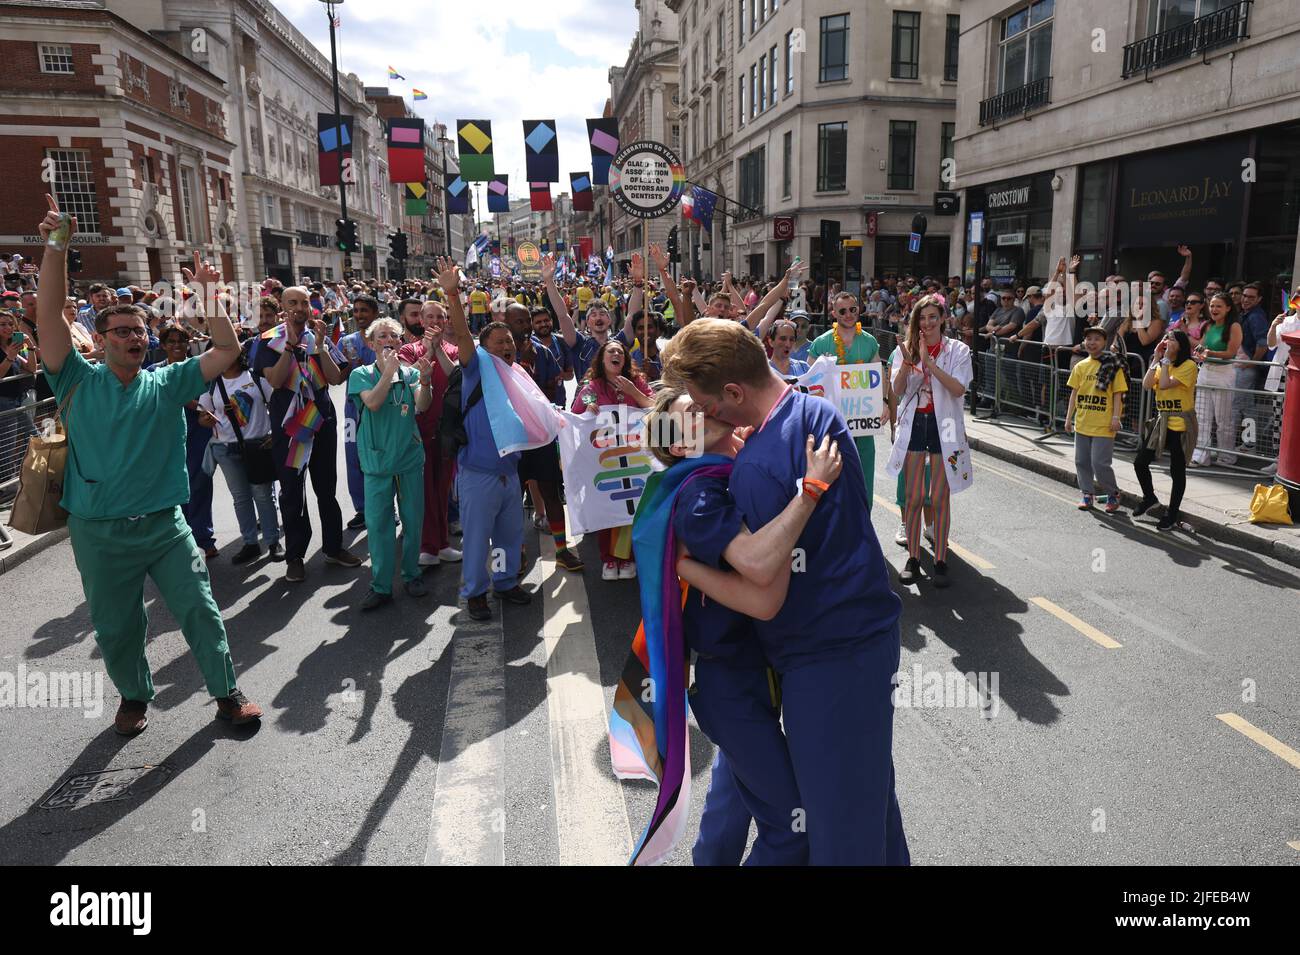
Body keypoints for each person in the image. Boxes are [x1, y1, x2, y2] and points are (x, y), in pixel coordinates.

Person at [661, 318, 909, 866]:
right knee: (867, 803)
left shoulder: (750, 469)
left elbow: (762, 584)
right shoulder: (815, 413)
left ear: (732, 393)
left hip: (822, 659)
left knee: (837, 827)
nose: (701, 416)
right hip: (854, 643)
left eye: (701, 405)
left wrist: (686, 568)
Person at [33, 198, 261, 735]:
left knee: (201, 612)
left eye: (141, 332)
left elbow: (226, 350)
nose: (136, 338)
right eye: (122, 332)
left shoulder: (168, 381)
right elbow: (46, 316)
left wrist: (207, 293)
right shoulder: (74, 379)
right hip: (98, 531)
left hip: (164, 526)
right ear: (100, 339)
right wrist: (56, 245)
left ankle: (227, 693)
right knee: (117, 627)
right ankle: (134, 696)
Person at [645, 386, 842, 866]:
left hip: (758, 673)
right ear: (676, 444)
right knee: (793, 822)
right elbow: (762, 587)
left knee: (733, 799)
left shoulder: (729, 469)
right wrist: (811, 490)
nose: (709, 406)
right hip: (730, 682)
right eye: (693, 411)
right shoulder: (698, 493)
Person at [434, 257, 533, 621]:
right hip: (478, 473)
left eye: (510, 340)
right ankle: (475, 593)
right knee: (477, 542)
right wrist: (452, 293)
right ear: (484, 348)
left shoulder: (518, 374)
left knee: (508, 537)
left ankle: (505, 583)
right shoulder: (477, 368)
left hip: (510, 473)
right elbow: (461, 334)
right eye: (499, 341)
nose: (507, 345)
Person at [253, 285, 363, 582]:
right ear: (282, 308)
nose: (300, 308)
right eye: (293, 302)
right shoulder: (267, 341)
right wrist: (289, 346)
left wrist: (323, 346)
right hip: (290, 425)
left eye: (304, 302)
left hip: (322, 419)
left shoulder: (318, 336)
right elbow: (275, 381)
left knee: (326, 488)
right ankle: (295, 556)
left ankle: (333, 547)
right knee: (292, 491)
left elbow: (336, 378)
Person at [887, 295, 973, 586]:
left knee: (938, 497)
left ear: (943, 319)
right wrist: (907, 365)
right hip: (916, 424)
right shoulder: (904, 350)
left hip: (945, 424)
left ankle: (940, 560)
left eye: (933, 317)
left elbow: (959, 389)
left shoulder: (958, 350)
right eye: (922, 318)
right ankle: (913, 557)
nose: (927, 323)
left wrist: (929, 364)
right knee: (912, 497)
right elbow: (898, 391)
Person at [349, 317, 433, 609]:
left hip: (409, 459)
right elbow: (372, 403)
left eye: (394, 336)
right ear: (371, 343)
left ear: (401, 342)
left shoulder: (409, 374)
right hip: (377, 462)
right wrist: (387, 373)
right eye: (381, 336)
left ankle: (412, 575)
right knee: (379, 525)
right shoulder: (360, 374)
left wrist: (424, 379)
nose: (388, 340)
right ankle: (381, 586)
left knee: (413, 520)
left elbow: (422, 405)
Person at [572, 338, 654, 580]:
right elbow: (577, 416)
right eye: (611, 351)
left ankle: (627, 557)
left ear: (625, 360)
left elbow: (654, 406)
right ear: (602, 358)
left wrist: (632, 391)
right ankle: (609, 560)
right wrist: (590, 409)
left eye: (620, 351)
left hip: (635, 457)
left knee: (632, 507)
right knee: (608, 506)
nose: (616, 353)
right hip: (605, 459)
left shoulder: (636, 382)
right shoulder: (591, 386)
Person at [197, 344, 282, 564]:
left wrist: (275, 434)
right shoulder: (212, 385)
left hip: (258, 446)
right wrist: (205, 420)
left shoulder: (255, 377)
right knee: (241, 498)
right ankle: (251, 543)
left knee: (263, 495)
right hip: (226, 449)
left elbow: (277, 404)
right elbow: (202, 416)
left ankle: (273, 542)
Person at [397, 300, 465, 568]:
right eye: (430, 317)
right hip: (417, 431)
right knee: (422, 491)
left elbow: (454, 377)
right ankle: (426, 545)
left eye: (441, 316)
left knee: (441, 489)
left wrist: (438, 350)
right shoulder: (408, 349)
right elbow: (404, 377)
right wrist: (427, 349)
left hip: (446, 430)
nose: (436, 321)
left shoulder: (453, 350)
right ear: (422, 321)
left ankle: (442, 543)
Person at [808, 290, 885, 507]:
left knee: (863, 477)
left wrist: (885, 402)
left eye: (853, 309)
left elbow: (878, 373)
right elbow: (810, 381)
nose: (849, 314)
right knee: (833, 478)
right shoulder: (822, 343)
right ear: (834, 313)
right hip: (833, 425)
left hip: (863, 426)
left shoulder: (869, 342)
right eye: (843, 311)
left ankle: (863, 524)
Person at [150, 321, 217, 559]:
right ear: (163, 345)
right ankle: (182, 538)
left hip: (198, 433)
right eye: (172, 342)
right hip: (167, 437)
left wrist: (199, 408)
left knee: (200, 483)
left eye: (181, 341)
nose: (177, 346)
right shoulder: (153, 372)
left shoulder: (197, 368)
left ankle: (204, 537)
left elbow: (209, 399)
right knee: (176, 487)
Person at [1132, 330, 1197, 530]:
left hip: (1181, 423)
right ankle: (1149, 498)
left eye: (1172, 339)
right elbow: (1147, 384)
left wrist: (1166, 360)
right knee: (1140, 462)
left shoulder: (1189, 366)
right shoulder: (1162, 365)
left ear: (1182, 345)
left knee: (1177, 471)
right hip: (1162, 422)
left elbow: (1167, 384)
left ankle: (1172, 513)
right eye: (1166, 338)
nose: (1167, 341)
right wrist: (1157, 359)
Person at [1065, 325, 1127, 511]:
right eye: (1089, 339)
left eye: (1096, 339)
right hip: (1083, 422)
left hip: (1104, 425)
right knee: (1082, 462)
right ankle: (1087, 494)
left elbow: (1118, 394)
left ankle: (1113, 493)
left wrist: (1116, 417)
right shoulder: (1080, 366)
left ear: (1104, 342)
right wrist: (1069, 419)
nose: (1092, 343)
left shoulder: (1112, 365)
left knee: (1099, 464)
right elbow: (1074, 394)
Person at [338, 294, 379, 529]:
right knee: (353, 459)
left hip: (380, 411)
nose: (359, 315)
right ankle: (362, 509)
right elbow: (337, 377)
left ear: (375, 313)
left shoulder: (385, 339)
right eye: (356, 311)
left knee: (381, 459)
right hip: (352, 412)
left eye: (364, 310)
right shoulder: (347, 342)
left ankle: (386, 507)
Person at [1191, 292, 1242, 466]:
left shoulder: (1234, 326)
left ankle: (1226, 456)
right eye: (1212, 305)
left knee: (1223, 419)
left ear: (1228, 308)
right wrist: (1198, 352)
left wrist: (1210, 353)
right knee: (1202, 416)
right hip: (1205, 372)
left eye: (1218, 306)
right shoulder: (1208, 326)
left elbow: (1231, 353)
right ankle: (1200, 456)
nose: (1214, 309)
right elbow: (1202, 345)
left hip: (1224, 374)